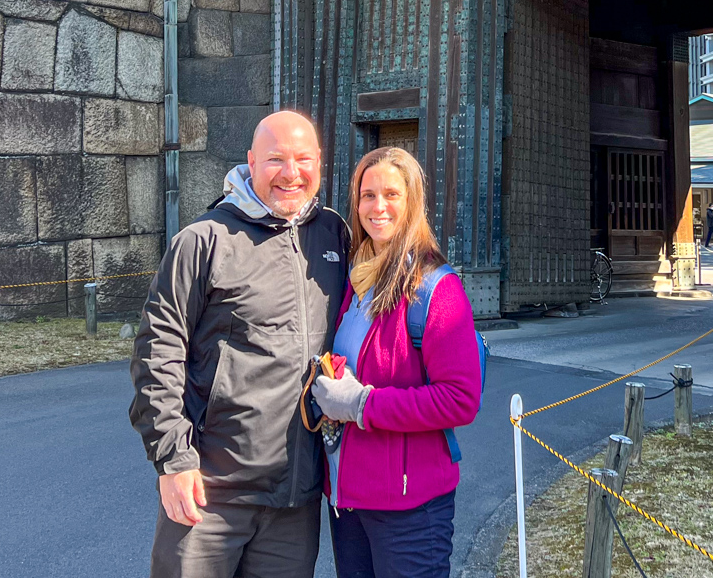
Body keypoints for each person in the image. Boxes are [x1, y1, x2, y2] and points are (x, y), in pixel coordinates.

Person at [130, 110, 348, 578]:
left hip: (295, 498)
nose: (291, 174)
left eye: (304, 159)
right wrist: (173, 461)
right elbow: (156, 351)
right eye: (276, 160)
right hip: (210, 493)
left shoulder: (334, 235)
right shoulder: (204, 240)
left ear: (320, 164)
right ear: (250, 161)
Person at [311, 147, 482, 578]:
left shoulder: (435, 289)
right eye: (367, 195)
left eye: (391, 194)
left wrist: (363, 404)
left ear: (412, 202)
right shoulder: (356, 278)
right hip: (348, 499)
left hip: (410, 508)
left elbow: (461, 400)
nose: (378, 206)